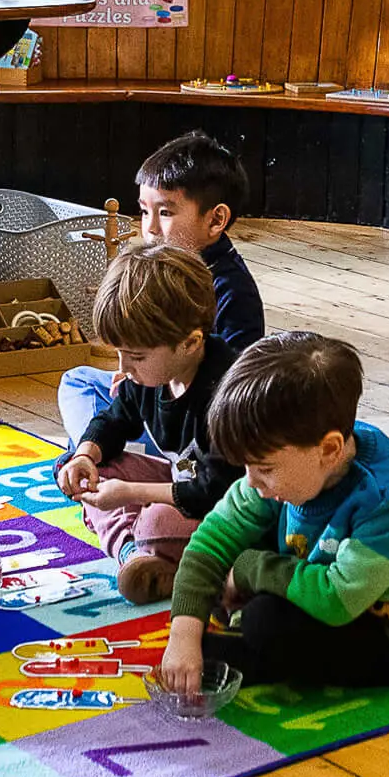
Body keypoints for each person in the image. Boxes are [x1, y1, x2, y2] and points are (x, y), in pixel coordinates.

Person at [158, 331, 389, 693]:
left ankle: (256, 658)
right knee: (249, 550)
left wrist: (248, 570)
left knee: (265, 622)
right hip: (333, 587)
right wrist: (183, 631)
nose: (251, 481)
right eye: (245, 467)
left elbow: (337, 599)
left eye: (264, 469)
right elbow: (212, 540)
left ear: (330, 450)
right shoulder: (293, 458)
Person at [54, 244, 242, 603]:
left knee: (158, 522)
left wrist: (129, 494)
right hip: (180, 478)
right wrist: (85, 456)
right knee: (98, 467)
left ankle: (159, 554)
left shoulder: (224, 394)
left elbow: (211, 492)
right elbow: (115, 418)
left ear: (190, 343)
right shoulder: (148, 378)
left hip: (221, 506)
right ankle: (134, 554)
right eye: (118, 353)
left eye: (136, 356)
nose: (123, 368)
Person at [56, 130, 264, 441]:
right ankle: (96, 451)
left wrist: (153, 385)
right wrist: (132, 375)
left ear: (216, 220)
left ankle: (115, 459)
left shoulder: (233, 291)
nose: (149, 228)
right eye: (143, 211)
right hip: (150, 393)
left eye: (165, 212)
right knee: (78, 381)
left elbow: (233, 388)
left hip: (195, 425)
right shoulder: (154, 270)